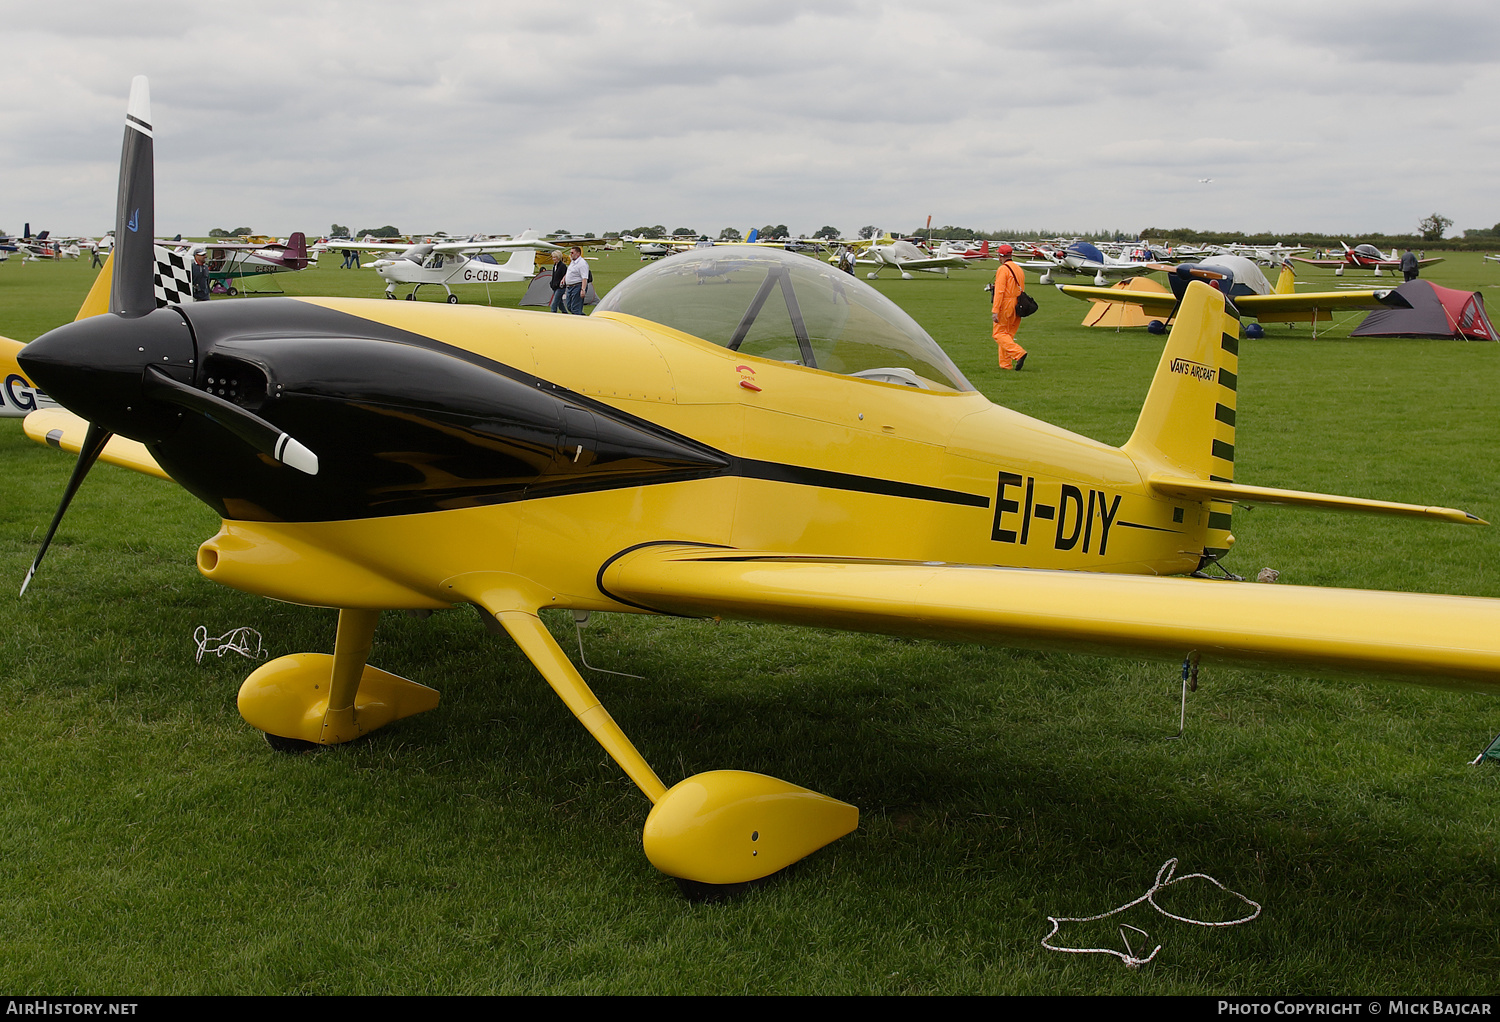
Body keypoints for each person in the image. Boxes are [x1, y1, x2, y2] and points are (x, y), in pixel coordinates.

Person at [990, 243, 1028, 370]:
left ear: (1001, 256)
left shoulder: (1003, 269)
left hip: (1006, 304)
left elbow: (999, 291)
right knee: (1007, 336)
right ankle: (1006, 364)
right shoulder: (1018, 268)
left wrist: (995, 310)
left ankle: (1019, 353)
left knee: (998, 334)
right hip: (1018, 304)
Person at [563, 246, 589, 315]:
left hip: (577, 286)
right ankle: (584, 318)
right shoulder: (572, 262)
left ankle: (579, 322)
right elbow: (569, 272)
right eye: (570, 253)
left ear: (578, 254)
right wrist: (564, 279)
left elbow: (584, 278)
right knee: (569, 306)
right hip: (569, 287)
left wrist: (583, 289)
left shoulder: (582, 264)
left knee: (575, 308)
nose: (570, 254)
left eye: (572, 253)